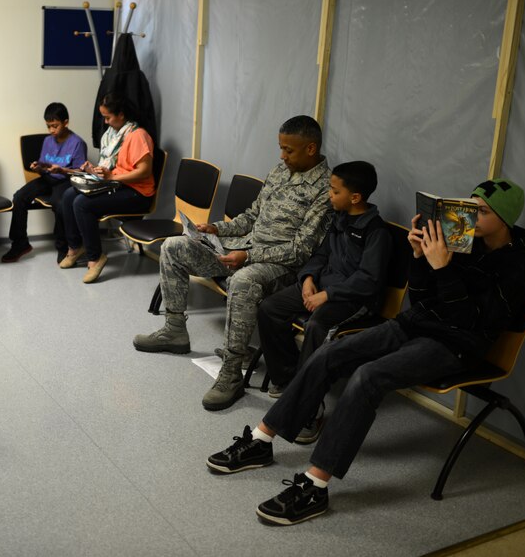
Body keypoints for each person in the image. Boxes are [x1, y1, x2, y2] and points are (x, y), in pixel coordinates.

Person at [205, 178, 525, 526]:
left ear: (505, 218)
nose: (469, 215)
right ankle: (261, 440)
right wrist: (420, 259)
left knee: (368, 377)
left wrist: (443, 267)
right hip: (416, 323)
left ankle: (316, 486)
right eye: (469, 207)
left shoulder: (521, 265)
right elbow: (423, 299)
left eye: (481, 211)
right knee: (330, 353)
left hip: (456, 345)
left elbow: (470, 322)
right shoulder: (466, 241)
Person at [133, 115, 332, 411]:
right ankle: (174, 330)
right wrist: (217, 229)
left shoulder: (325, 190)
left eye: (288, 150)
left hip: (281, 267)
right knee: (174, 246)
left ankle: (231, 372)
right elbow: (252, 216)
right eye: (280, 148)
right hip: (243, 248)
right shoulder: (280, 171)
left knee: (242, 281)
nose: (282, 155)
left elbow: (301, 249)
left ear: (311, 149)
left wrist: (249, 257)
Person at [257, 161, 391, 406]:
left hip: (352, 299)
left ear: (355, 197)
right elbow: (321, 255)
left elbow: (368, 280)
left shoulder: (375, 231)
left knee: (317, 326)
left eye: (334, 191)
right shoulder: (338, 218)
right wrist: (307, 278)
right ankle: (289, 379)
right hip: (321, 286)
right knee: (269, 308)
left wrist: (328, 295)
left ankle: (308, 403)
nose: (329, 194)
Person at [58, 93, 156, 283]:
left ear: (121, 114)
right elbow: (116, 169)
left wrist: (112, 176)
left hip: (138, 194)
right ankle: (75, 247)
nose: (105, 121)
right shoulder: (116, 136)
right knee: (69, 194)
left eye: (108, 117)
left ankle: (95, 258)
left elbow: (145, 171)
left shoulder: (138, 136)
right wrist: (95, 171)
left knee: (82, 204)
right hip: (119, 184)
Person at [3, 102, 88, 264]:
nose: (51, 130)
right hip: (48, 178)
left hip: (66, 181)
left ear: (66, 122)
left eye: (55, 126)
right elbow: (45, 166)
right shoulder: (48, 140)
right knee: (19, 197)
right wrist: (38, 168)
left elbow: (82, 172)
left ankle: (64, 247)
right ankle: (20, 243)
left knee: (59, 203)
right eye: (48, 126)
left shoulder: (77, 143)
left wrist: (62, 170)